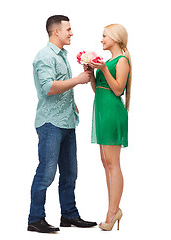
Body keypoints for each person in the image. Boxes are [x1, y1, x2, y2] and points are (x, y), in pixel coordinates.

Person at [28, 15, 97, 233]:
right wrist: (77, 80)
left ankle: (69, 215)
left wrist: (72, 101)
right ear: (55, 31)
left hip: (67, 122)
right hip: (50, 123)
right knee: (46, 173)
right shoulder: (44, 56)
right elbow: (48, 87)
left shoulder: (62, 55)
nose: (71, 32)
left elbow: (59, 85)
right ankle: (35, 219)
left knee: (70, 173)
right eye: (68, 29)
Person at [88, 24, 132, 231]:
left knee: (113, 163)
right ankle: (112, 209)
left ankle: (113, 212)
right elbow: (99, 90)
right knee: (106, 163)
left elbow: (117, 90)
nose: (102, 39)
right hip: (102, 113)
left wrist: (104, 68)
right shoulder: (109, 62)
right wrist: (90, 74)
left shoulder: (121, 61)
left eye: (104, 36)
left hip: (113, 114)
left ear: (115, 38)